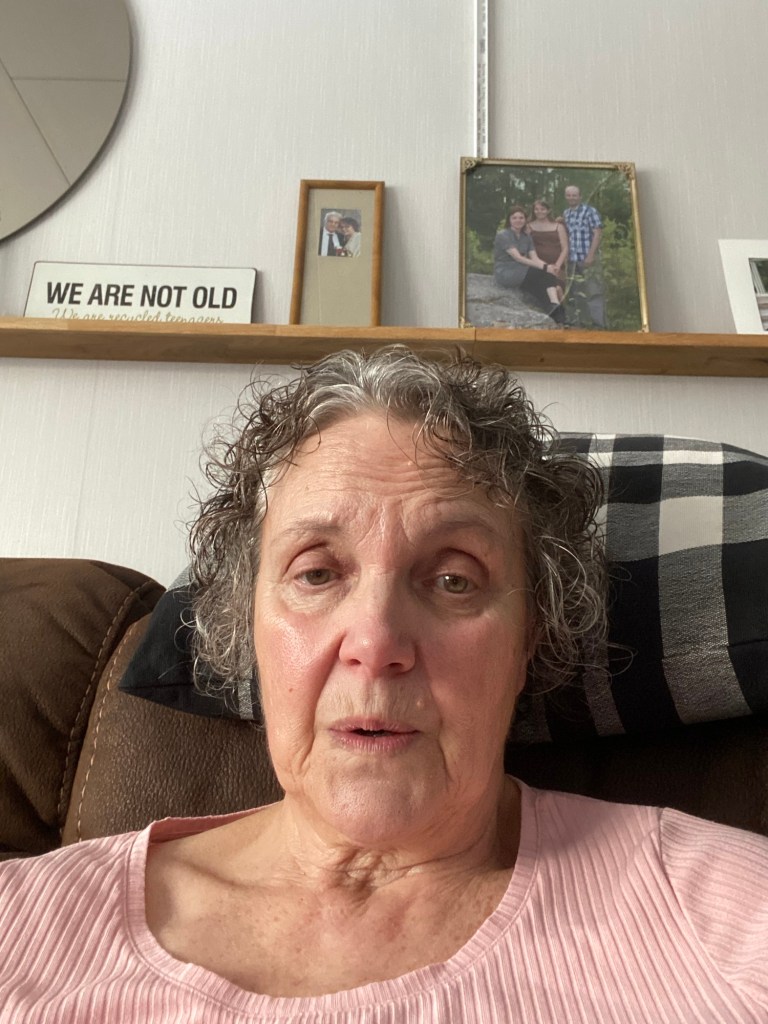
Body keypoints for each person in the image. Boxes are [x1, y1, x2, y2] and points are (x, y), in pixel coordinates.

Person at [1, 346, 768, 1022]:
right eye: (317, 573)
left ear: (529, 637)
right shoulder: (20, 926)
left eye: (454, 579)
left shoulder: (723, 915)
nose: (375, 643)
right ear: (244, 622)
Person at [493, 206, 566, 325]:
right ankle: (556, 304)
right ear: (509, 220)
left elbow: (535, 258)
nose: (518, 220)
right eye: (514, 218)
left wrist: (549, 267)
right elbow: (518, 257)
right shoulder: (503, 235)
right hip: (507, 272)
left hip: (522, 271)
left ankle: (556, 315)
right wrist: (545, 268)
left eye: (521, 218)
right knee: (544, 273)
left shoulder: (526, 237)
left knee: (542, 289)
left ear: (525, 220)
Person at [563, 184, 606, 327]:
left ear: (580, 196)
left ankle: (598, 325)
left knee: (594, 291)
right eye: (569, 195)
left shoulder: (589, 211)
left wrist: (591, 255)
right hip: (572, 260)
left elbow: (597, 233)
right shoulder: (566, 213)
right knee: (575, 293)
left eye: (574, 195)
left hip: (588, 258)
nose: (571, 198)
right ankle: (578, 323)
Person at [528, 198, 568, 302]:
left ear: (548, 210)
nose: (539, 212)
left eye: (542, 209)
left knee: (556, 282)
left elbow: (565, 248)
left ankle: (560, 295)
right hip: (538, 264)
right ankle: (557, 296)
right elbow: (526, 247)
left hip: (557, 265)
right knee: (547, 287)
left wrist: (558, 265)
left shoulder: (558, 226)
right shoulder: (529, 226)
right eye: (536, 209)